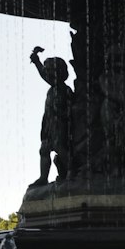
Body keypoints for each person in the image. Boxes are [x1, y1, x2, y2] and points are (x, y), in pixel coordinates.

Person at [29, 47, 73, 185]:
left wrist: (64, 117)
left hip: (61, 123)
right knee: (44, 148)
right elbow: (43, 74)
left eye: (50, 71)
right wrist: (36, 60)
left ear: (58, 73)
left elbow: (72, 110)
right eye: (47, 70)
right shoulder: (53, 89)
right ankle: (43, 177)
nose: (46, 73)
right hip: (49, 123)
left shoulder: (65, 90)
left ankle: (72, 172)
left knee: (60, 147)